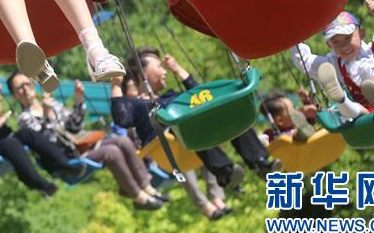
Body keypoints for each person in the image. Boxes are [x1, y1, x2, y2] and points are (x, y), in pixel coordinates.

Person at [291, 0, 374, 188]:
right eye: (336, 42)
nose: (343, 46)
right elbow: (306, 63)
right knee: (350, 111)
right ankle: (342, 98)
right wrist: (294, 39)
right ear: (329, 45)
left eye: (347, 38)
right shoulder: (334, 63)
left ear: (361, 33)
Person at [114, 48, 280, 189]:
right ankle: (224, 171)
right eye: (159, 67)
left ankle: (259, 162)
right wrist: (115, 85)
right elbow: (122, 119)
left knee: (223, 110)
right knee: (187, 122)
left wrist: (178, 69)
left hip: (193, 137)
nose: (165, 71)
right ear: (142, 73)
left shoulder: (172, 97)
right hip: (168, 147)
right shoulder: (135, 104)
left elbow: (202, 95)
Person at [9, 71, 166, 210]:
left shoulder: (53, 104)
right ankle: (138, 196)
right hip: (66, 159)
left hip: (79, 148)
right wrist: (45, 113)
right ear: (15, 95)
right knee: (111, 152)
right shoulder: (25, 118)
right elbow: (46, 143)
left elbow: (74, 127)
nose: (25, 89)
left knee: (122, 141)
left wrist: (78, 100)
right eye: (19, 87)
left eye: (27, 83)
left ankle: (147, 186)